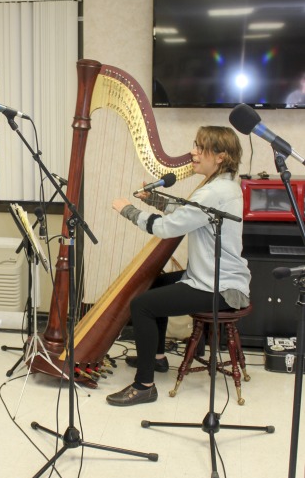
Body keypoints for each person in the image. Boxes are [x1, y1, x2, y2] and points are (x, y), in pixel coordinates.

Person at [107, 126, 250, 407]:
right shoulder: (224, 184)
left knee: (142, 305)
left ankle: (144, 385)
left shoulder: (212, 192)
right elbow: (192, 216)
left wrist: (128, 210)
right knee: (156, 283)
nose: (193, 153)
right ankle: (157, 357)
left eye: (200, 148)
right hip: (213, 277)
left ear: (220, 156)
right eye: (194, 145)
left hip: (219, 286)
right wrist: (158, 200)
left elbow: (166, 228)